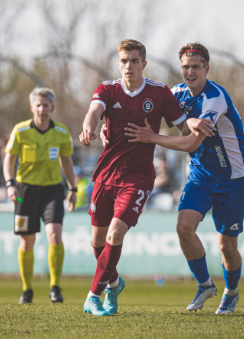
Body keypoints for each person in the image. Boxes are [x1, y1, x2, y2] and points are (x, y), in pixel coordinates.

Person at [124, 42, 244, 314]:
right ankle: (205, 284)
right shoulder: (176, 93)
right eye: (185, 66)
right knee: (183, 228)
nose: (189, 71)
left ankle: (231, 290)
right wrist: (107, 127)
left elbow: (191, 143)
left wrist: (154, 137)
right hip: (201, 176)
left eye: (195, 66)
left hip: (233, 179)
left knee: (227, 245)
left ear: (206, 68)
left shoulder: (215, 97)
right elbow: (145, 112)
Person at [79, 39, 187, 316]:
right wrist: (90, 129)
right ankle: (114, 283)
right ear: (119, 63)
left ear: (144, 64)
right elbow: (93, 112)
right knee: (98, 242)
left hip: (137, 177)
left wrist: (154, 137)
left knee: (116, 233)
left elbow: (186, 131)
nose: (129, 66)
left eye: (134, 61)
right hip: (105, 175)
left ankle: (93, 296)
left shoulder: (159, 93)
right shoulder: (108, 89)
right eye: (124, 61)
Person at [3, 87, 77, 304]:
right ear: (31, 107)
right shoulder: (20, 130)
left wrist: (72, 189)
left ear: (52, 107)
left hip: (53, 191)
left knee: (55, 234)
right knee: (27, 242)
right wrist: (10, 184)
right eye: (38, 105)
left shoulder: (61, 133)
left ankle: (55, 287)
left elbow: (67, 162)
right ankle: (27, 290)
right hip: (24, 192)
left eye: (46, 105)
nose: (42, 109)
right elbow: (8, 160)